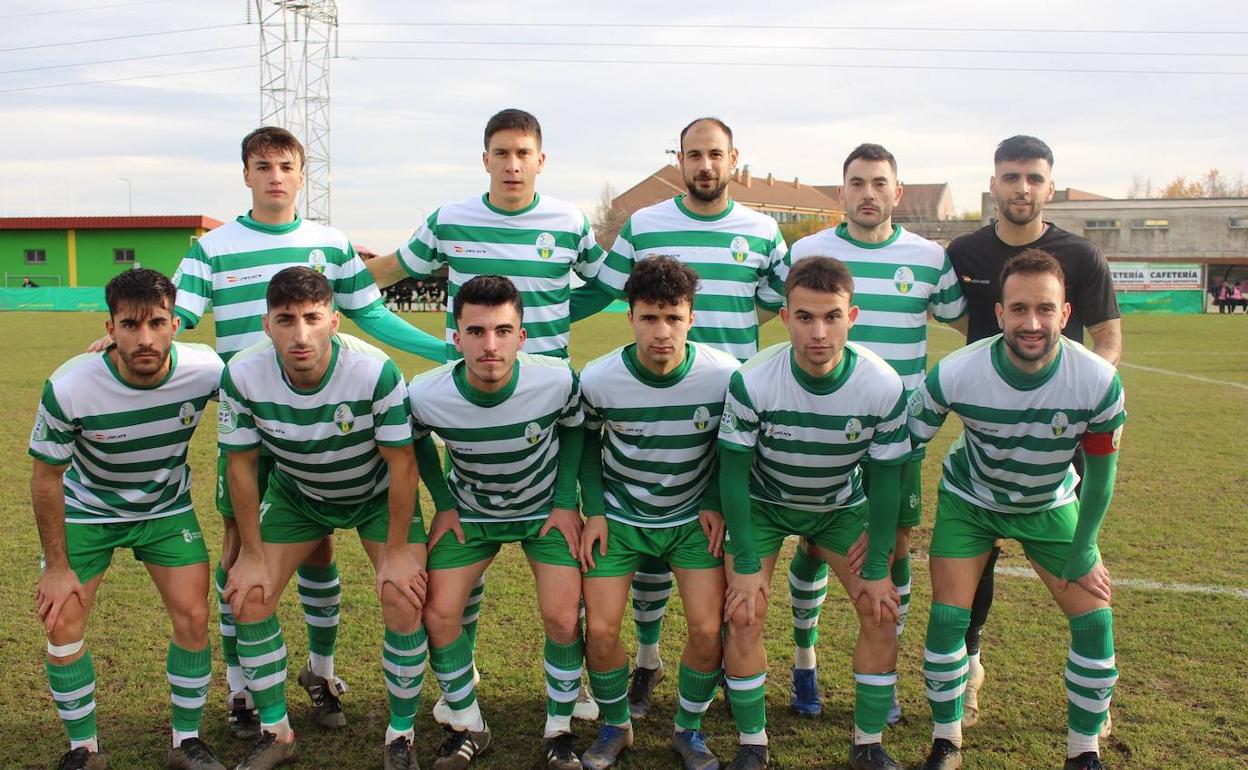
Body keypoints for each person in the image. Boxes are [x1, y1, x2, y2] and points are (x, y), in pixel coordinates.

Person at [366, 109, 605, 723]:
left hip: (544, 390)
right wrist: (327, 281)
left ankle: (569, 682)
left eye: (524, 152)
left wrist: (551, 318)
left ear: (541, 160)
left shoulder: (570, 220)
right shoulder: (450, 219)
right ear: (486, 160)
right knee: (469, 529)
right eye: (501, 152)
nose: (513, 163)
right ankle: (459, 685)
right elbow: (389, 271)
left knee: (560, 546)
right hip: (471, 385)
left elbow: (607, 285)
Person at [571, 117, 787, 716]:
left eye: (715, 155)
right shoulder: (646, 224)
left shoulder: (764, 230)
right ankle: (645, 660)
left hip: (728, 398)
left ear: (733, 159)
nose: (705, 165)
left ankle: (717, 663)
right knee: (645, 535)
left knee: (713, 532)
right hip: (646, 385)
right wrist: (529, 317)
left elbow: (786, 302)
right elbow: (606, 291)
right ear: (681, 160)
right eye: (694, 155)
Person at [910, 249, 1124, 770]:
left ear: (1065, 315)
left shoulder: (1097, 380)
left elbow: (1100, 475)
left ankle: (1084, 752)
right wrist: (901, 520)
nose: (1032, 323)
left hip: (1049, 503)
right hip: (971, 501)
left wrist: (1087, 544)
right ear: (1000, 313)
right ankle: (946, 740)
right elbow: (906, 446)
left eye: (1045, 310)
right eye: (1019, 309)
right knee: (947, 618)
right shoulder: (957, 372)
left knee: (1095, 621)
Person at [774, 142, 966, 722]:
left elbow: (971, 325)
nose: (868, 194)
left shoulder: (929, 258)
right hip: (820, 426)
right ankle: (804, 660)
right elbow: (781, 311)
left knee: (894, 547)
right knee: (813, 542)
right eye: (857, 183)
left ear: (897, 193)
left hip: (897, 434)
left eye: (879, 183)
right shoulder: (807, 250)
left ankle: (887, 671)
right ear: (842, 193)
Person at [220, 267, 428, 770]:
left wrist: (397, 552)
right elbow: (242, 466)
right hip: (298, 495)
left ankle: (400, 735)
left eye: (312, 318)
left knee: (404, 597)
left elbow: (402, 463)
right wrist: (249, 555)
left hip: (375, 495)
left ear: (334, 321)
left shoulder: (375, 371)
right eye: (286, 320)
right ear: (266, 324)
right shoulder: (243, 374)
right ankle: (277, 732)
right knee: (247, 593)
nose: (300, 333)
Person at [945, 135, 1122, 727]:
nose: (1023, 188)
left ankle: (1090, 704)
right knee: (977, 564)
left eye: (1035, 178)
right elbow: (955, 328)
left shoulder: (1081, 256)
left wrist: (1086, 396)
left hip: (1057, 440)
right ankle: (968, 667)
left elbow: (1108, 336)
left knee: (1077, 563)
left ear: (1050, 186)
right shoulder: (963, 253)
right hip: (986, 438)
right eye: (1011, 176)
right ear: (993, 183)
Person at [718, 256, 911, 770]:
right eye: (805, 317)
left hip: (837, 509)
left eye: (832, 317)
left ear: (854, 316)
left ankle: (867, 744)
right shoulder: (753, 380)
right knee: (743, 612)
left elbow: (887, 479)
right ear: (785, 317)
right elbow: (733, 475)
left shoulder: (882, 384)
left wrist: (876, 565)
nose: (819, 332)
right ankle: (752, 744)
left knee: (880, 610)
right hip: (763, 505)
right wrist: (741, 560)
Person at [31, 268, 227, 770]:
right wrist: (56, 567)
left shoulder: (205, 370)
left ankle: (185, 741)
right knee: (62, 621)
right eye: (130, 325)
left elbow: (261, 384)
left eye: (157, 323)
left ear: (175, 323)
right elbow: (46, 477)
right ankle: (85, 749)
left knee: (194, 616)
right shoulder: (71, 384)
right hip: (87, 510)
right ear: (110, 327)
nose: (145, 339)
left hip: (165, 509)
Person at [408, 275, 586, 770]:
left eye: (504, 331)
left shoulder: (556, 379)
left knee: (562, 616)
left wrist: (565, 501)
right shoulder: (425, 393)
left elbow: (574, 428)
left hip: (541, 513)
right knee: (439, 614)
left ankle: (560, 729)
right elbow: (417, 440)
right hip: (470, 515)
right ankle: (469, 725)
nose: (491, 345)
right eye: (477, 331)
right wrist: (442, 501)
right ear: (456, 336)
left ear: (522, 337)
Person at [577, 256, 739, 770]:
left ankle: (688, 730)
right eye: (649, 318)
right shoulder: (599, 378)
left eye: (673, 317)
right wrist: (596, 510)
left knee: (708, 628)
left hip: (691, 520)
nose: (662, 331)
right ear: (630, 317)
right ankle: (615, 725)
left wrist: (712, 501)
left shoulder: (724, 375)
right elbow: (583, 444)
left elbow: (728, 449)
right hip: (622, 520)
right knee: (601, 630)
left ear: (692, 317)